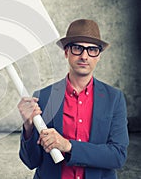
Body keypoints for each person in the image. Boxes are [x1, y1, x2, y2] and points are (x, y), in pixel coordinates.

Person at [18, 19, 129, 179]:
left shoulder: (114, 98)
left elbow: (117, 156)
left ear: (98, 56)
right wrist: (28, 127)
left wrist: (68, 146)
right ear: (66, 52)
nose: (84, 56)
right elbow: (31, 162)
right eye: (77, 48)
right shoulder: (43, 97)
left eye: (92, 50)